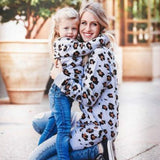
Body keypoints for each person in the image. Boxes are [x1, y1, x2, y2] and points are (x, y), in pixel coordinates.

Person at [29, 2, 119, 160]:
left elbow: (88, 98)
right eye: (83, 23)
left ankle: (99, 150)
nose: (87, 29)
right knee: (39, 122)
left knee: (37, 158)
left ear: (100, 27)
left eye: (94, 24)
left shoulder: (99, 54)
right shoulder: (82, 48)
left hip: (96, 128)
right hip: (87, 117)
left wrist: (59, 77)